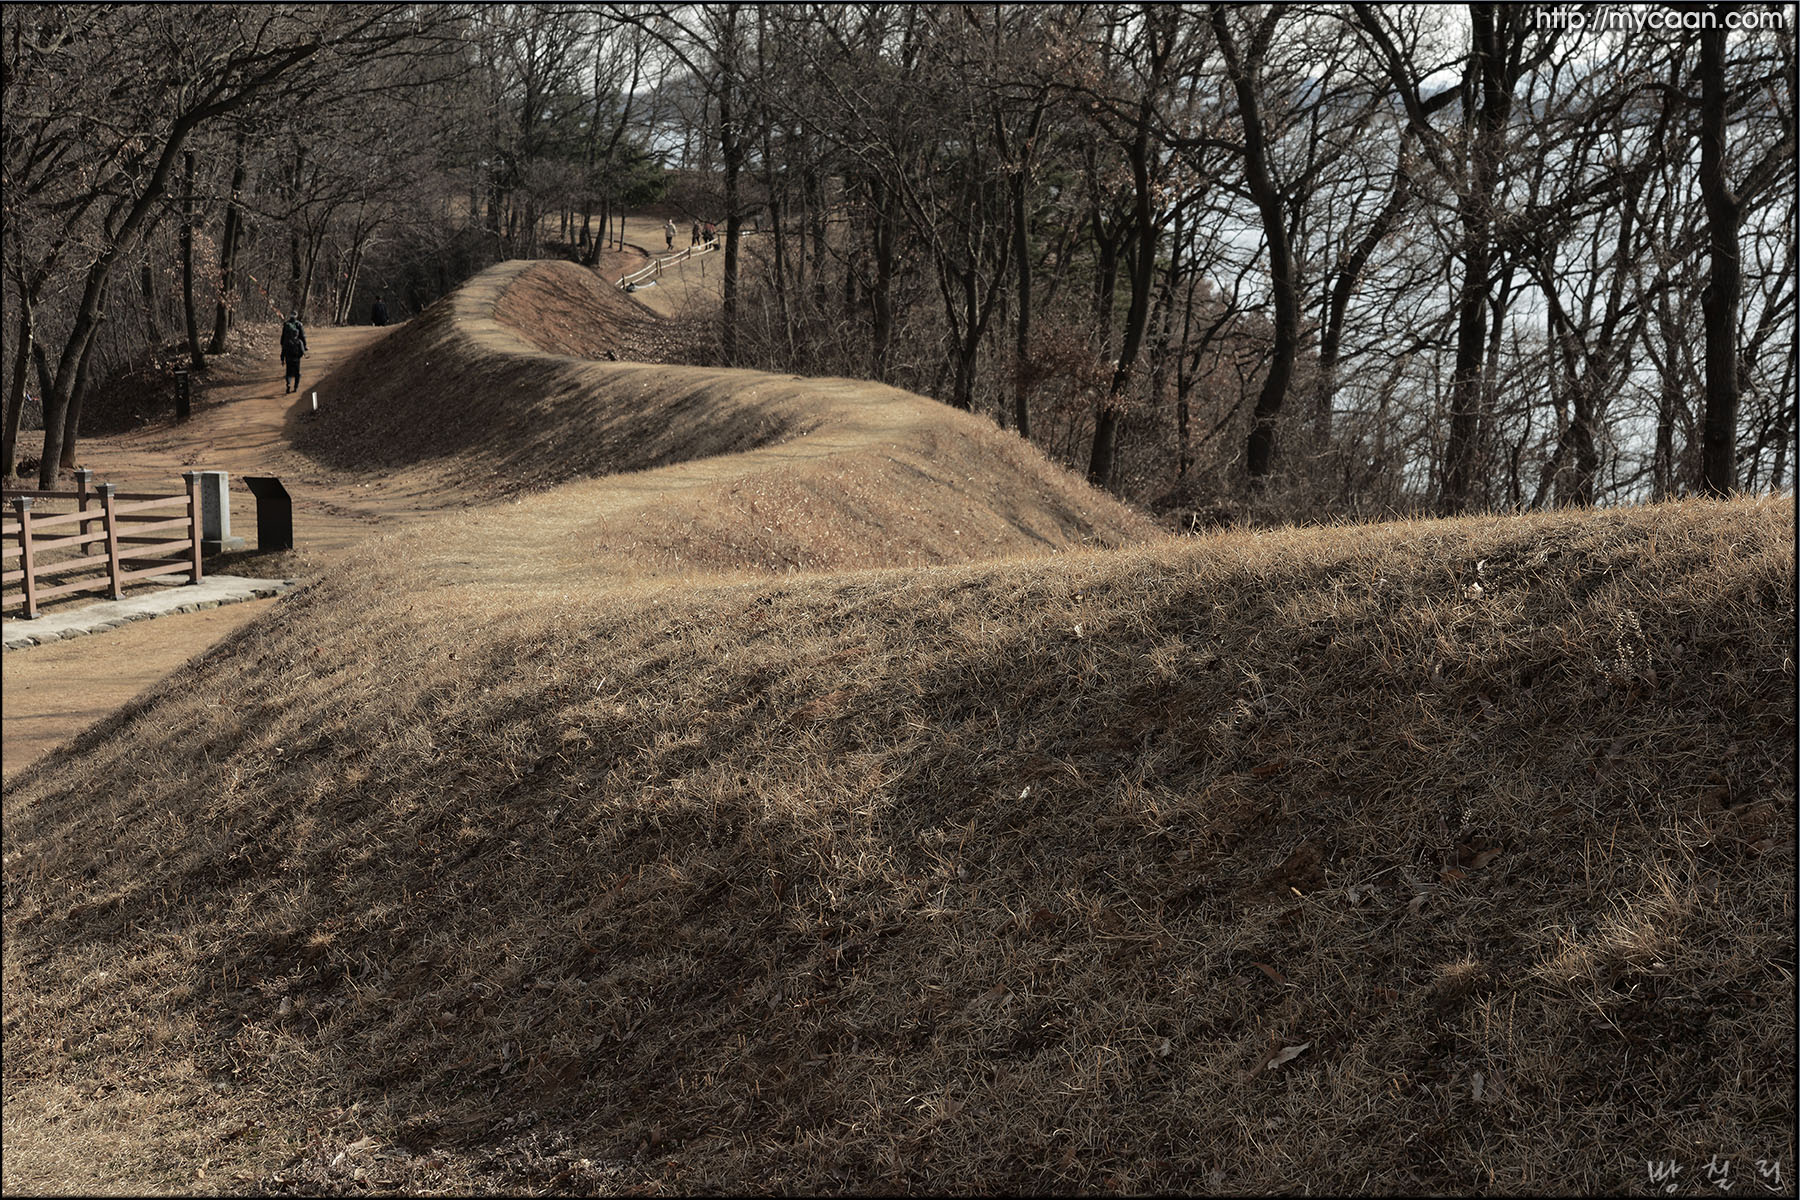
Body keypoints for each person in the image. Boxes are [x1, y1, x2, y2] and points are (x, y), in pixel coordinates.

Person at [279, 312, 308, 393]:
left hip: (287, 349)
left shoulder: (286, 324)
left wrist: (282, 344)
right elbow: (302, 336)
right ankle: (295, 386)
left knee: (288, 371)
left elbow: (283, 335)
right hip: (296, 354)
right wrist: (304, 347)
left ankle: (288, 383)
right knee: (297, 372)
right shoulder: (299, 324)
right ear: (296, 316)